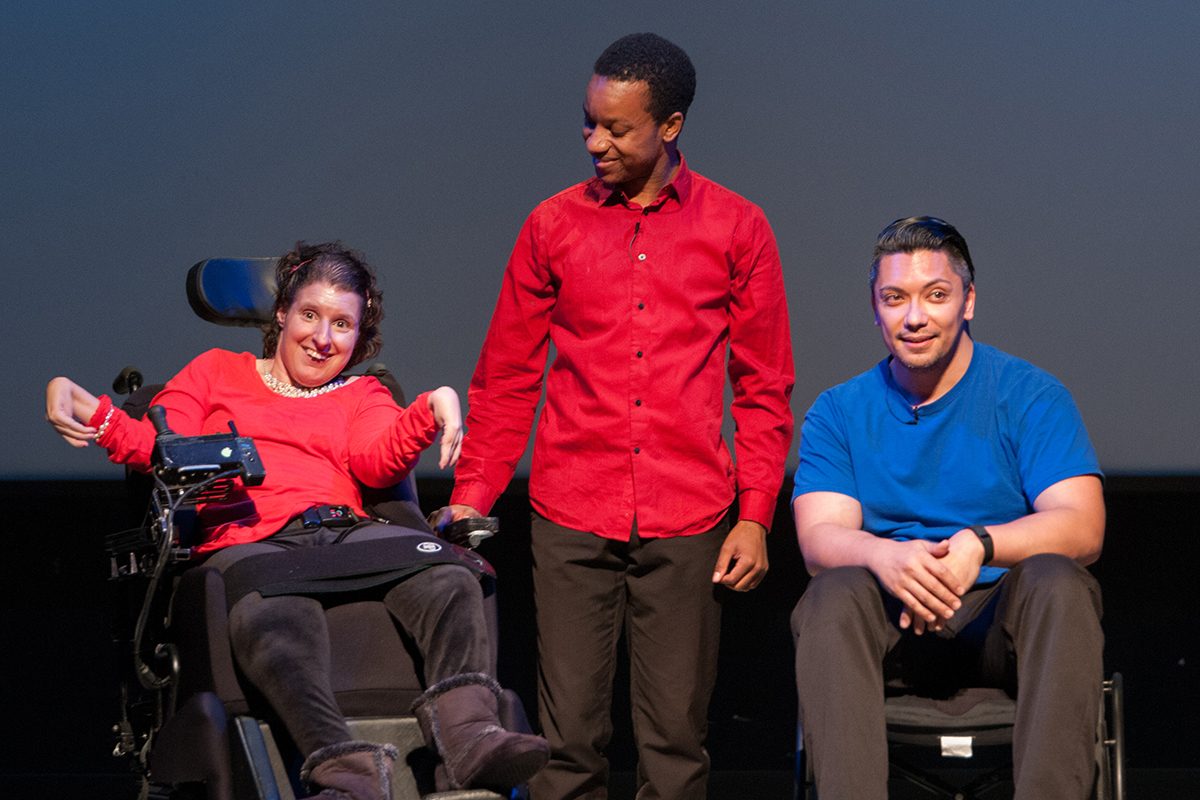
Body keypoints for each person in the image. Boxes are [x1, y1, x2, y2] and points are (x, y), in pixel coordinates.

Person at [45, 241, 548, 799]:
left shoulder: (362, 392)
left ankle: (472, 739)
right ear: (282, 313)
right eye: (310, 315)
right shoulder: (215, 373)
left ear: (359, 336)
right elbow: (160, 445)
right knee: (277, 615)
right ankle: (344, 768)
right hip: (257, 540)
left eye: (342, 325)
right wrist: (95, 411)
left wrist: (432, 406)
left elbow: (377, 457)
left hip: (347, 534)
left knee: (453, 577)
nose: (323, 338)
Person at [438, 33, 795, 800]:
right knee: (566, 748)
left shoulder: (737, 227)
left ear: (669, 127)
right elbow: (506, 378)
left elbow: (762, 387)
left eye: (616, 127)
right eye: (589, 122)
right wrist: (473, 492)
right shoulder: (551, 225)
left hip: (689, 513)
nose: (594, 141)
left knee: (674, 743)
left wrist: (757, 514)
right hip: (573, 509)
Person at [790, 216, 1105, 799]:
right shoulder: (839, 411)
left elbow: (1083, 525)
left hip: (1000, 629)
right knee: (831, 592)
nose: (914, 317)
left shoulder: (1030, 395)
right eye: (895, 298)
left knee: (1059, 581)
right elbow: (819, 538)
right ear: (875, 307)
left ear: (968, 301)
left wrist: (979, 545)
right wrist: (887, 558)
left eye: (936, 295)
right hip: (891, 629)